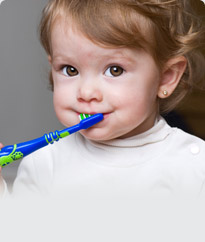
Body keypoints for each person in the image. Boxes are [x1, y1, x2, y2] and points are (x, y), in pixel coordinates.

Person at [0, 0, 205, 199]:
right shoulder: (43, 163)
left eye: (115, 70)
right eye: (70, 70)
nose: (87, 92)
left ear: (165, 78)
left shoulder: (194, 166)